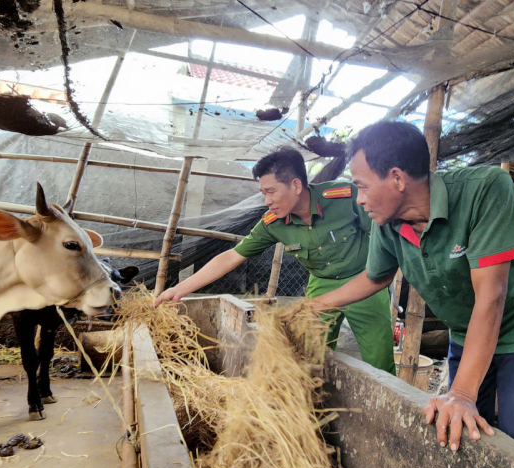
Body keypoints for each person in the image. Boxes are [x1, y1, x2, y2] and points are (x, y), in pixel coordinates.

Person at [312, 121, 514, 454]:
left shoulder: (485, 189)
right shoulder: (388, 223)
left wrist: (461, 394)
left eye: (362, 186)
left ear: (397, 178)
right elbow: (375, 277)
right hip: (464, 329)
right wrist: (312, 306)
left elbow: (492, 295)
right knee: (463, 429)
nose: (359, 200)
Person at [154, 146, 396, 375]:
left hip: (366, 282)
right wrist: (179, 289)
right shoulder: (273, 223)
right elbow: (231, 256)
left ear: (296, 185)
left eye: (271, 192)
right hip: (321, 283)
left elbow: (383, 238)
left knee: (380, 362)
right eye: (263, 193)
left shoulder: (344, 198)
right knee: (309, 357)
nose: (266, 201)